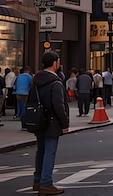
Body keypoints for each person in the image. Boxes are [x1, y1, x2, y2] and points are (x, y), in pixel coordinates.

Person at [30, 51, 69, 195]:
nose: (59, 64)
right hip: (52, 122)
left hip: (39, 120)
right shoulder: (55, 83)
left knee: (40, 151)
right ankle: (46, 183)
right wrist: (64, 123)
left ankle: (37, 180)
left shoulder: (36, 80)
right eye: (58, 61)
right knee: (50, 152)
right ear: (54, 64)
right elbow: (59, 105)